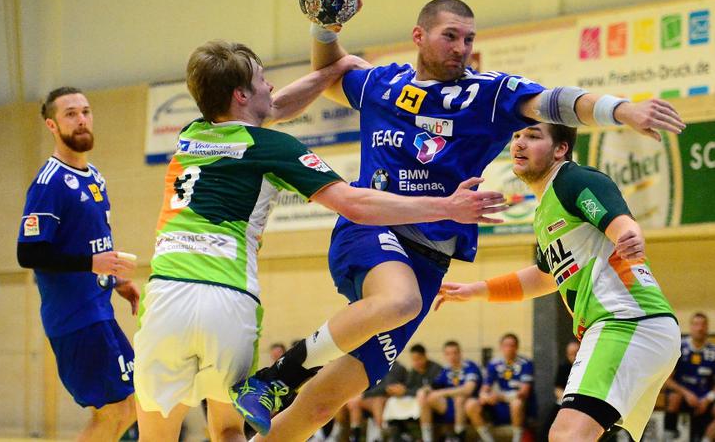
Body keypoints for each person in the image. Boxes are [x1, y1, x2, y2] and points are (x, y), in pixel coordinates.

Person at [233, 0, 685, 441]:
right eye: (450, 36)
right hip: (375, 227)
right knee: (400, 301)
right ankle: (277, 376)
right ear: (418, 36)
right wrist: (324, 30)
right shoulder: (383, 84)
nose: (461, 48)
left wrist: (622, 110)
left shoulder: (487, 95)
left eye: (469, 39)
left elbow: (559, 102)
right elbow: (330, 73)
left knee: (325, 403)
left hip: (430, 261)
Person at [133, 39, 512, 442]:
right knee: (227, 430)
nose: (271, 87)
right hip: (227, 298)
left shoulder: (191, 135)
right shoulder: (273, 147)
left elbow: (274, 108)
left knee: (155, 437)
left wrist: (334, 69)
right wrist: (447, 206)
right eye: (262, 80)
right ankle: (284, 375)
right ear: (241, 95)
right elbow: (356, 204)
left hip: (165, 296)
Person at [436, 122, 681, 441]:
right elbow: (543, 277)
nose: (519, 143)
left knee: (566, 434)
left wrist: (629, 234)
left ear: (561, 149)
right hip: (634, 327)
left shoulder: (573, 180)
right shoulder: (544, 210)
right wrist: (475, 290)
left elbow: (620, 221)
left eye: (533, 136)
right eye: (516, 136)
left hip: (627, 321)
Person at [17, 87, 140, 441]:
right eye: (70, 114)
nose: (82, 119)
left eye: (85, 111)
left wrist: (115, 279)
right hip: (76, 319)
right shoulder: (50, 183)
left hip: (99, 312)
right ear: (52, 125)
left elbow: (92, 241)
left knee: (131, 404)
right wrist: (91, 263)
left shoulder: (94, 176)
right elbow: (29, 254)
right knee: (114, 410)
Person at [465, 334, 533, 442]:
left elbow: (524, 392)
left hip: (516, 403)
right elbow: (485, 388)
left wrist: (500, 396)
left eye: (512, 345)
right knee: (470, 404)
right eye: (506, 345)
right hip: (497, 404)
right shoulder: (494, 363)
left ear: (517, 347)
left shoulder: (525, 363)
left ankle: (517, 439)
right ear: (501, 347)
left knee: (517, 403)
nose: (509, 348)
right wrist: (485, 396)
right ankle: (487, 439)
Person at [665, 312, 715, 441]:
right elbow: (666, 380)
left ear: (707, 328)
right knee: (674, 397)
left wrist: (708, 399)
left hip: (704, 398)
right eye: (696, 324)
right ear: (690, 327)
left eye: (703, 325)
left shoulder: (713, 351)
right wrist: (686, 394)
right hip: (683, 396)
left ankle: (706, 439)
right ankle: (668, 436)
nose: (700, 328)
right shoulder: (679, 348)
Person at [419, 340, 482, 442]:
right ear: (445, 355)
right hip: (449, 407)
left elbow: (468, 389)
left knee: (459, 398)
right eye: (448, 354)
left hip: (468, 406)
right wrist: (424, 390)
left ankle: (459, 437)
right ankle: (427, 439)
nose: (452, 356)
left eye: (455, 353)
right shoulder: (446, 369)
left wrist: (441, 393)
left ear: (460, 353)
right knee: (425, 396)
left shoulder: (470, 366)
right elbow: (434, 386)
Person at [540, 341, 580, 440]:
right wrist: (567, 400)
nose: (574, 356)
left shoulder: (587, 367)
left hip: (582, 403)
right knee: (546, 430)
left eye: (576, 353)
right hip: (566, 401)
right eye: (571, 354)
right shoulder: (563, 367)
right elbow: (557, 389)